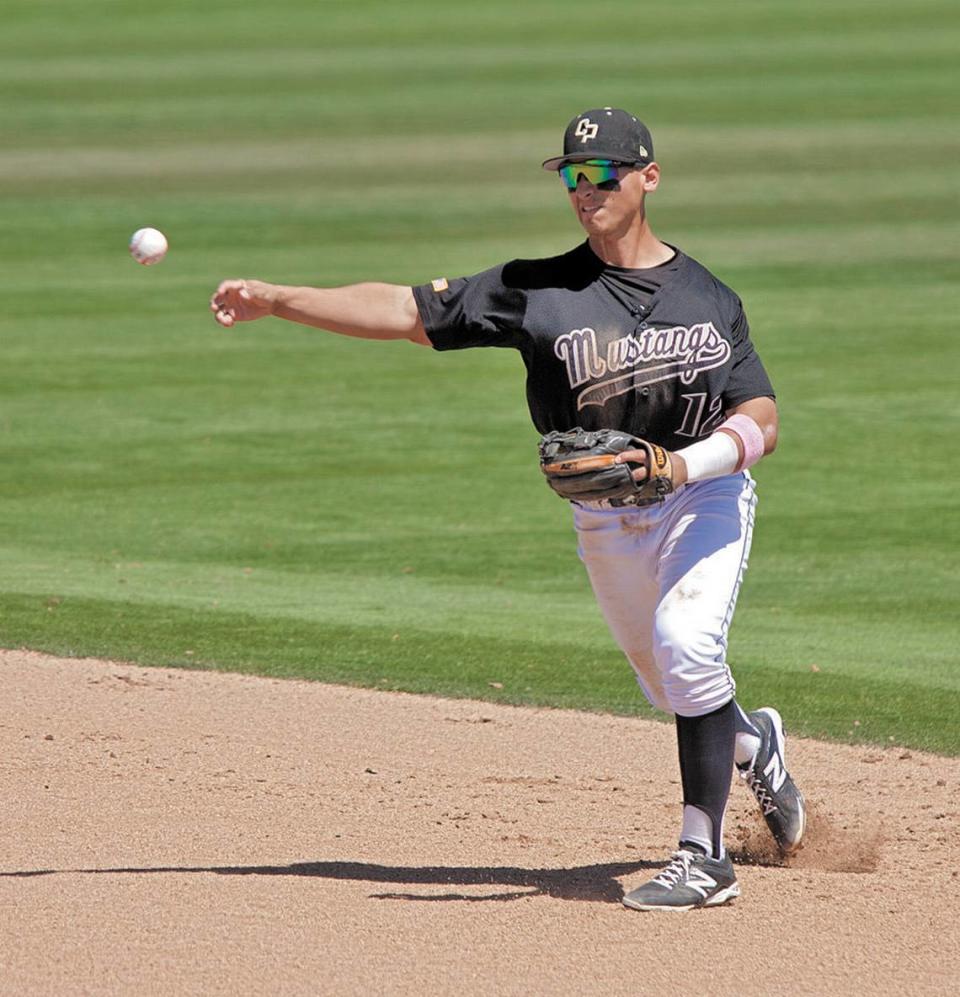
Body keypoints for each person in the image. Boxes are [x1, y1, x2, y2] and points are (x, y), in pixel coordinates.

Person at [211, 107, 806, 912]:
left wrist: (680, 464)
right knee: (672, 681)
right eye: (571, 175)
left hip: (702, 495)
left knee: (687, 644)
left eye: (602, 175)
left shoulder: (708, 297)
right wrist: (278, 298)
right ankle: (749, 739)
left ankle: (702, 856)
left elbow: (761, 418)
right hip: (605, 519)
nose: (585, 190)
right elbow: (404, 311)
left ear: (649, 178)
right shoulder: (538, 289)